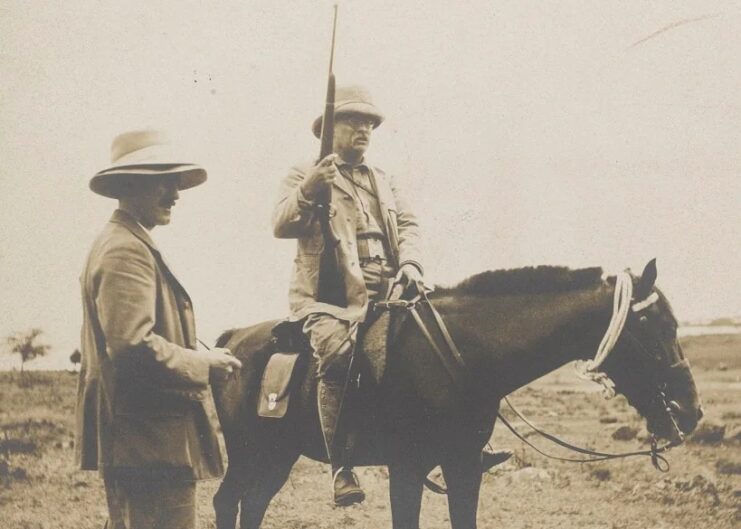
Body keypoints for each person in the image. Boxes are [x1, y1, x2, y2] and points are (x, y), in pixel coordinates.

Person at [272, 86, 511, 506]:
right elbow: (281, 224)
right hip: (331, 300)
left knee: (449, 343)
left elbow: (410, 228)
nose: (364, 129)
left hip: (393, 292)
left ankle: (463, 446)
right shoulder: (303, 173)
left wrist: (412, 266)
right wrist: (310, 188)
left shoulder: (384, 179)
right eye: (353, 121)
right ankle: (341, 466)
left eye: (370, 123)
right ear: (329, 129)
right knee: (339, 354)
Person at [75, 130, 242, 529]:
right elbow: (133, 346)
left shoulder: (125, 241)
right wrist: (204, 363)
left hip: (145, 438)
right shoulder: (124, 249)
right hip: (147, 440)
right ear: (129, 184)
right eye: (163, 182)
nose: (175, 194)